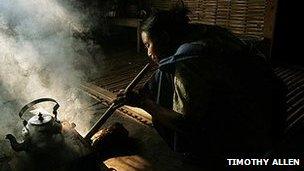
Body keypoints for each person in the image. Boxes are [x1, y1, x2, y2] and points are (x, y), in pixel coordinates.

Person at [117, 8, 286, 165]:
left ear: (165, 37)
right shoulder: (202, 32)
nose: (148, 53)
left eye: (148, 45)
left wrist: (144, 103)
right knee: (163, 72)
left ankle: (201, 153)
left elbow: (187, 123)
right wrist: (146, 92)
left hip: (251, 134)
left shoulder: (189, 58)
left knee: (166, 78)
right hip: (273, 113)